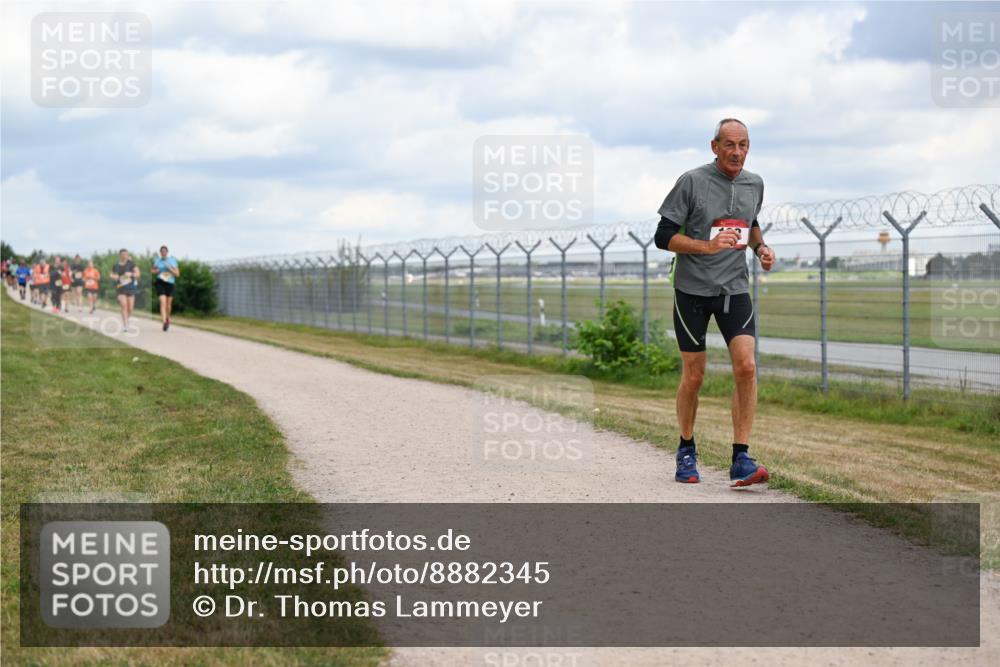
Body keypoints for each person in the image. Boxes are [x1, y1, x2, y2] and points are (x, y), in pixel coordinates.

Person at [654, 118, 777, 488]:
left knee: (747, 366)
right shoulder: (691, 181)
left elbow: (751, 222)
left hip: (734, 288)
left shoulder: (754, 183)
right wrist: (707, 246)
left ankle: (741, 457)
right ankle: (686, 449)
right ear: (714, 146)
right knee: (694, 376)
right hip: (692, 290)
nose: (737, 152)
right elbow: (663, 236)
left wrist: (761, 248)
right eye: (729, 145)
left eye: (743, 145)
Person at [109, 248, 140, 330]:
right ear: (120, 255)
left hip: (131, 287)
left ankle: (128, 319)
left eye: (126, 254)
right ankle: (125, 324)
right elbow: (111, 275)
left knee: (130, 308)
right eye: (123, 255)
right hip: (121, 288)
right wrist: (116, 276)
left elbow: (138, 274)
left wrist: (131, 274)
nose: (124, 256)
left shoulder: (132, 264)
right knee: (124, 305)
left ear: (127, 255)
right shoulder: (116, 265)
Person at [151, 245, 180, 331]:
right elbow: (152, 270)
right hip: (160, 282)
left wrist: (170, 268)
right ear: (160, 253)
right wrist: (156, 271)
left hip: (170, 283)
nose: (163, 253)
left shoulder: (172, 261)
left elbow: (177, 274)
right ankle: (164, 322)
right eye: (161, 252)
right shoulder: (157, 261)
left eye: (165, 252)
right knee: (162, 302)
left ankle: (167, 318)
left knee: (168, 304)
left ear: (167, 252)